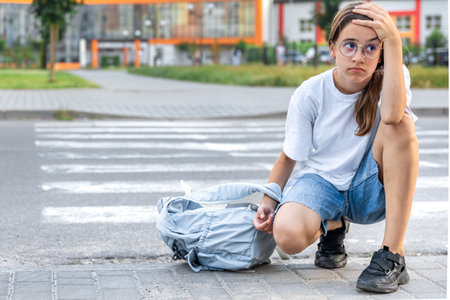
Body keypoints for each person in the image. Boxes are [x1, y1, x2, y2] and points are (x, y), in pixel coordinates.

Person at [253, 1, 418, 294]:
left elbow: (392, 116)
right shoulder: (310, 92)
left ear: (381, 53)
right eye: (350, 45)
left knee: (402, 124)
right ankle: (333, 226)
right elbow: (290, 155)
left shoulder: (393, 76)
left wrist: (393, 40)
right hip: (322, 183)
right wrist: (268, 200)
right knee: (287, 235)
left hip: (369, 188)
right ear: (332, 49)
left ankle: (393, 254)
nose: (359, 56)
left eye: (371, 47)